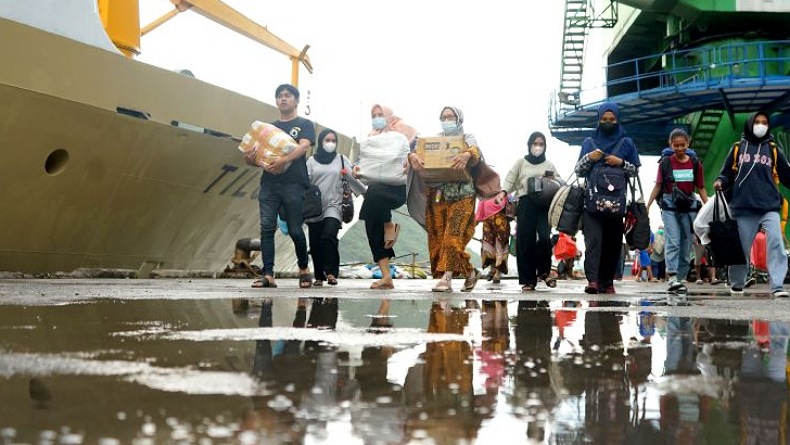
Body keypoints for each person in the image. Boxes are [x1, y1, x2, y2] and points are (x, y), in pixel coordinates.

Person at [713, 110, 790, 297]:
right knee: (741, 248)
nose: (761, 125)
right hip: (743, 207)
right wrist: (720, 181)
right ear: (750, 123)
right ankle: (737, 283)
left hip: (769, 206)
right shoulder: (738, 148)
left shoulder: (773, 149)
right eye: (758, 121)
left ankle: (777, 286)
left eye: (765, 122)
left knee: (776, 244)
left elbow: (787, 175)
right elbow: (726, 173)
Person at [408, 106, 481, 292]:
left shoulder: (467, 138)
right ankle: (470, 272)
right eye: (443, 117)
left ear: (459, 119)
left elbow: (476, 153)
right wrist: (413, 157)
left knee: (452, 237)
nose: (447, 120)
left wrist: (467, 154)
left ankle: (446, 280)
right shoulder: (435, 140)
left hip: (462, 195)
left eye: (451, 117)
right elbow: (418, 153)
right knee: (439, 239)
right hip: (438, 196)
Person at [252, 83, 316, 289]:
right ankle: (268, 274)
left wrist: (284, 160)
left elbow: (304, 146)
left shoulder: (305, 124)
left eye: (288, 96)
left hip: (294, 185)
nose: (283, 99)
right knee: (266, 227)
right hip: (269, 185)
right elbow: (253, 156)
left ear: (296, 101)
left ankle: (304, 268)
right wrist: (251, 158)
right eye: (280, 96)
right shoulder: (268, 129)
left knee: (296, 230)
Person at [574, 102, 641, 294]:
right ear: (598, 120)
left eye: (612, 119)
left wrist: (620, 162)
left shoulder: (627, 143)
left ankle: (607, 282)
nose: (608, 122)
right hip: (592, 204)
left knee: (613, 243)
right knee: (593, 242)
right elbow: (578, 171)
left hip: (617, 205)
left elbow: (635, 171)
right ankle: (593, 280)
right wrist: (589, 158)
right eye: (604, 119)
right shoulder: (589, 143)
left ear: (618, 120)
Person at [357, 104, 413, 290]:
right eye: (374, 115)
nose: (377, 118)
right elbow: (364, 164)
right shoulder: (369, 139)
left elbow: (405, 160)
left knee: (370, 204)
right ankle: (386, 276)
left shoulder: (400, 138)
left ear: (390, 118)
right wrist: (358, 170)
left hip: (396, 189)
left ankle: (388, 222)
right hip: (376, 190)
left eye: (381, 114)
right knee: (371, 223)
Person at [496, 131, 562, 291]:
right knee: (525, 240)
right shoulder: (521, 162)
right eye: (535, 143)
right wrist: (503, 192)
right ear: (529, 145)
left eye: (541, 144)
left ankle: (544, 272)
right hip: (526, 202)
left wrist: (551, 179)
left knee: (545, 237)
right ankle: (527, 280)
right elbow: (511, 178)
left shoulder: (549, 164)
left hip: (544, 204)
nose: (538, 147)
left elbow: (559, 181)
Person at [647, 128, 709, 294]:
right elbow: (658, 185)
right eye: (676, 145)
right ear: (671, 145)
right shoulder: (665, 163)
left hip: (688, 206)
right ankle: (673, 276)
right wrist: (648, 205)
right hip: (669, 205)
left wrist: (709, 208)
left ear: (688, 144)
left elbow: (701, 188)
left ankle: (680, 278)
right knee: (673, 240)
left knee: (687, 243)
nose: (680, 148)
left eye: (683, 145)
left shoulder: (696, 164)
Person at [306, 128, 367, 286]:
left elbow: (352, 178)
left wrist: (367, 193)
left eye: (333, 141)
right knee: (315, 243)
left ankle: (332, 272)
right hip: (315, 208)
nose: (330, 143)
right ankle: (319, 276)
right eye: (327, 140)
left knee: (329, 236)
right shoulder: (311, 161)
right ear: (321, 142)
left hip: (335, 205)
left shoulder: (340, 159)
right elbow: (304, 183)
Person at [475, 197, 510, 284]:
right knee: (489, 246)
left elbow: (509, 203)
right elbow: (480, 207)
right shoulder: (485, 193)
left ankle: (497, 272)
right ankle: (493, 270)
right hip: (488, 221)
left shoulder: (503, 191)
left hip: (501, 219)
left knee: (500, 246)